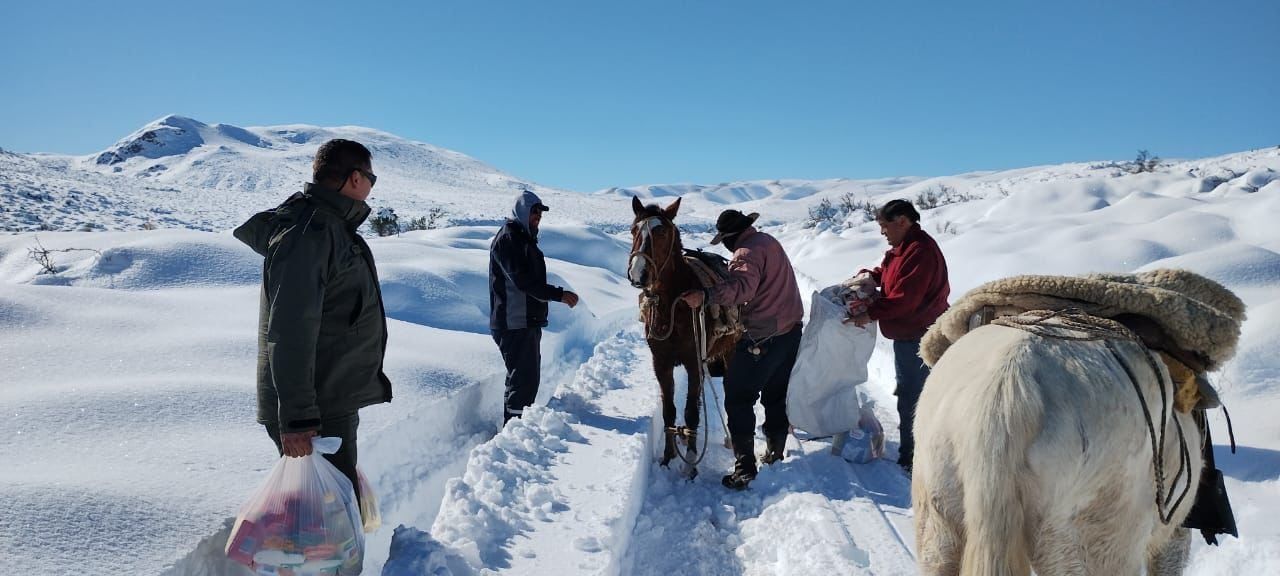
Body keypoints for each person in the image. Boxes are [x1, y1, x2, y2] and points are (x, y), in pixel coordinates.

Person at [233, 139, 393, 504]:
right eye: (371, 177)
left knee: (331, 519)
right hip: (315, 409)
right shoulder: (310, 235)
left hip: (328, 398)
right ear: (355, 178)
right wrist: (299, 419)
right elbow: (290, 329)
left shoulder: (330, 228)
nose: (371, 187)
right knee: (325, 528)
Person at [680, 209, 804, 490]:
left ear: (730, 237)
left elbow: (743, 290)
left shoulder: (746, 253)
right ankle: (775, 451)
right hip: (790, 330)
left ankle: (744, 465)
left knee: (737, 397)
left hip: (763, 336)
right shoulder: (767, 241)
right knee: (775, 393)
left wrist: (707, 295)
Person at [847, 199, 949, 473]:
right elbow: (891, 273)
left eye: (884, 226)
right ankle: (915, 453)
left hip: (920, 336)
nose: (882, 232)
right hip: (911, 333)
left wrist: (869, 313)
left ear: (902, 221)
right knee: (912, 393)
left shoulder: (920, 251)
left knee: (914, 397)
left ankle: (913, 458)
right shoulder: (903, 248)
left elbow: (905, 299)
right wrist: (871, 276)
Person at [489, 189, 579, 424]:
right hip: (513, 322)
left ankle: (515, 430)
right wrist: (559, 295)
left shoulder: (522, 238)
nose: (538, 216)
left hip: (524, 322)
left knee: (524, 379)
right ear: (522, 212)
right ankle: (514, 432)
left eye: (540, 213)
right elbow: (523, 282)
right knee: (524, 381)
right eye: (534, 212)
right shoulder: (510, 239)